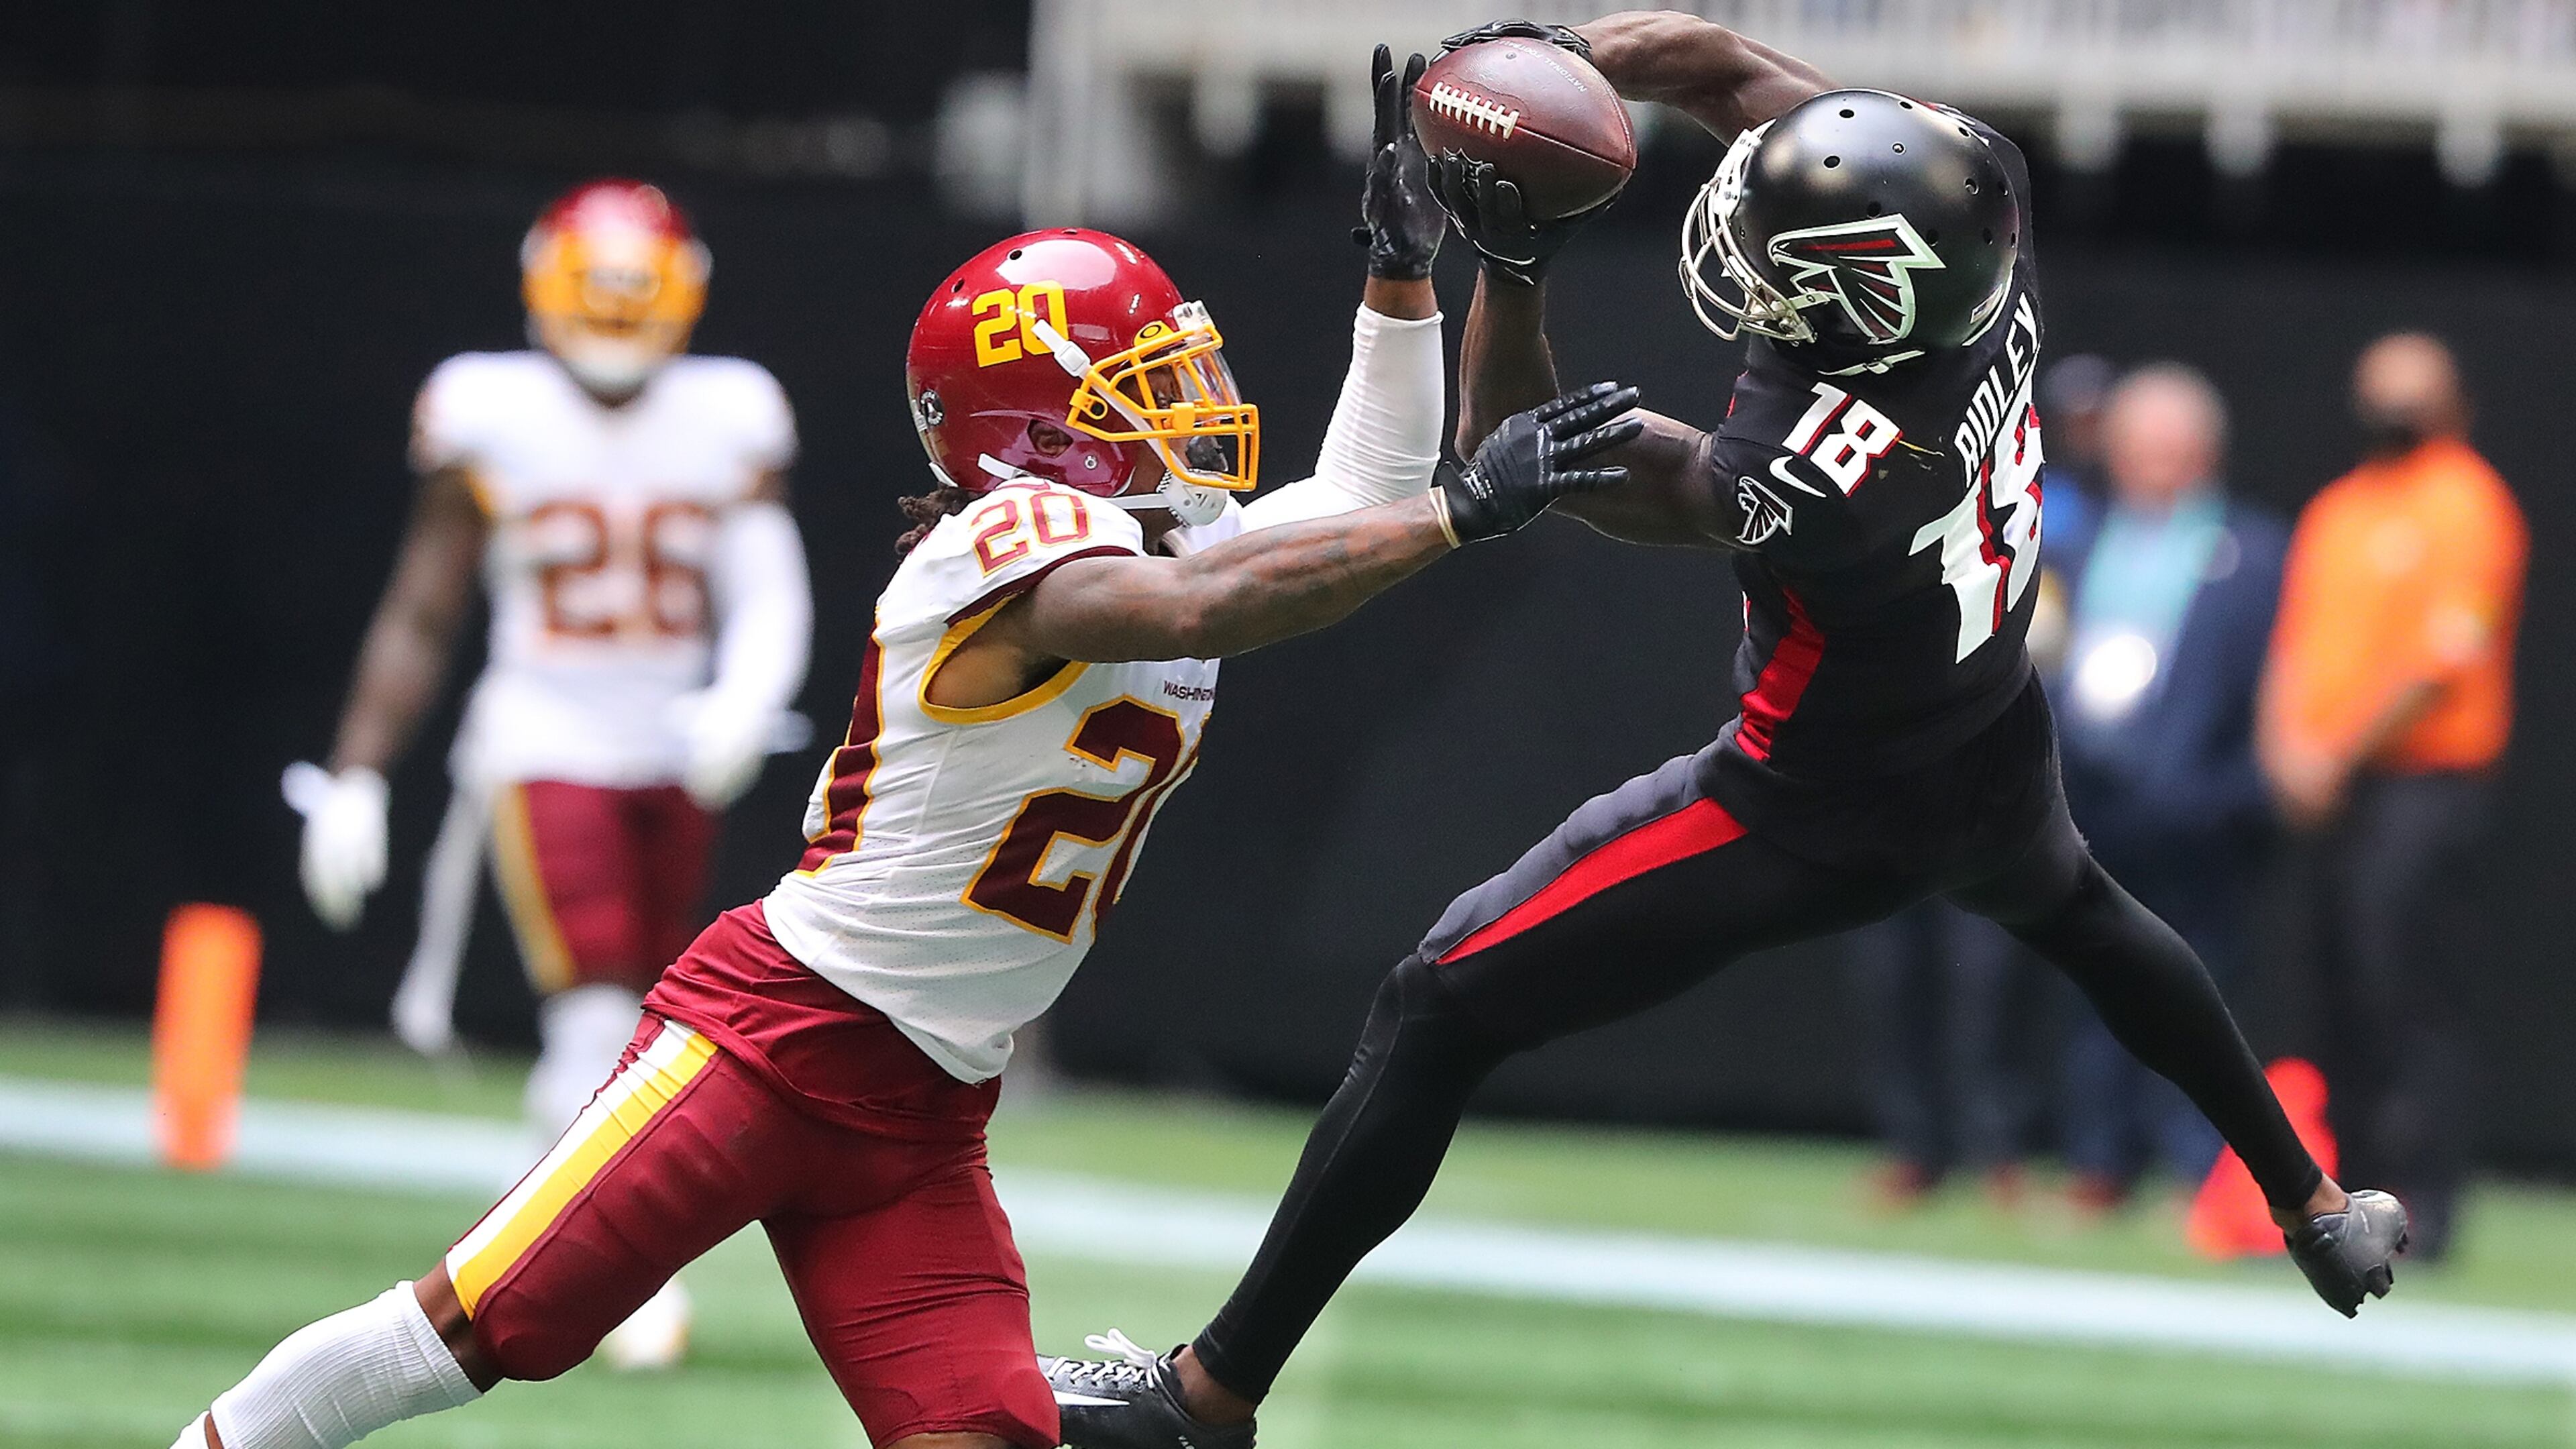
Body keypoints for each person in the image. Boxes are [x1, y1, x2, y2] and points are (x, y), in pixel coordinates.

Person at [168, 49, 1644, 1449]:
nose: (1189, 401)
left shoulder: (1155, 526)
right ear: (1040, 422)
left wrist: (1399, 274)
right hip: (772, 1041)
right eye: (1145, 379)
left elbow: (1362, 490)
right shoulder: (1006, 542)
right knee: (477, 1326)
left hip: (929, 1102)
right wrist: (1460, 513)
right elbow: (1208, 598)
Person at [1044, 18, 2406, 1448]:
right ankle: (2314, 1207)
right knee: (2085, 912)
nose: (1744, 258)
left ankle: (1207, 1401)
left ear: (1866, 299)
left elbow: (1529, 453)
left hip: (1809, 804)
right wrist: (1551, 55)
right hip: (1988, 732)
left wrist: (1509, 262)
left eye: (1782, 261)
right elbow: (1717, 62)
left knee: (1436, 1002)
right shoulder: (1974, 209)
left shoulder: (1816, 468)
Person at [284, 178, 814, 1366]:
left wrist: (745, 696)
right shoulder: (493, 407)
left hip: (681, 744)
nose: (619, 322)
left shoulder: (728, 410)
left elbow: (764, 579)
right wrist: (358, 771)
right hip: (544, 738)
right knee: (590, 998)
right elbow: (424, 610)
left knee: (647, 1008)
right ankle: (599, 1273)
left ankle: (587, 1235)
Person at [2259, 331, 2526, 1260]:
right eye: (2380, 390)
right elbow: (2292, 646)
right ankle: (2356, 1202)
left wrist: (2336, 754)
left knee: (2409, 1000)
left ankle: (2431, 1205)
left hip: (2422, 790)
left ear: (2455, 402)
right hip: (2330, 795)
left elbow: (2442, 662)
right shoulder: (2340, 508)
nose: (2393, 407)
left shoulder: (2468, 503)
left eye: (2411, 392)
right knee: (2336, 1001)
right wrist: (2285, 752)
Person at [2051, 363, 2287, 1211]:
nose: (2151, 460)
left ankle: (2200, 1173)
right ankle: (2098, 1165)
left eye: (2167, 444)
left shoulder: (2254, 553)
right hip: (2091, 803)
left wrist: (2237, 790)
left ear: (2204, 451)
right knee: (2096, 984)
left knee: (2200, 990)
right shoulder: (2074, 541)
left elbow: (2278, 684)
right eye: (2136, 444)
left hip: (2199, 815)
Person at [1840, 900, 2029, 1209]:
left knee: (1982, 988)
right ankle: (1913, 1153)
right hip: (1881, 858)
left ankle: (1999, 1155)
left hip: (1972, 857)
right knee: (1887, 981)